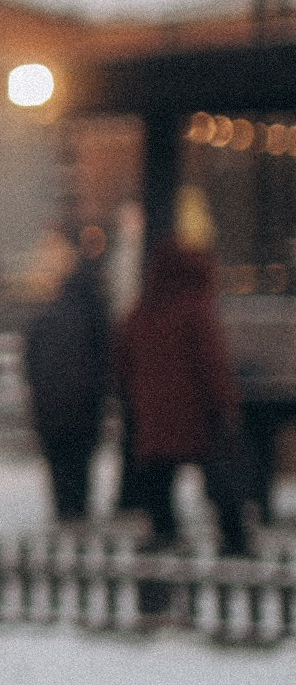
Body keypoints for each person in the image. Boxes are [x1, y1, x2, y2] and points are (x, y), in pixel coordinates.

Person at [114, 223, 249, 554]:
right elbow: (212, 364)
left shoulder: (142, 312)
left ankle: (165, 537)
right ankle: (234, 540)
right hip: (197, 414)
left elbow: (122, 362)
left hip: (154, 415)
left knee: (159, 480)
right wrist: (226, 405)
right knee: (218, 478)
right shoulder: (196, 310)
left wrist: (137, 398)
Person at [20, 228, 112, 526]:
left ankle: (64, 511)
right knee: (80, 463)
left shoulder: (46, 317)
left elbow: (30, 362)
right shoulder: (93, 317)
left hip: (49, 406)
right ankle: (78, 512)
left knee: (58, 464)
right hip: (82, 404)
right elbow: (103, 361)